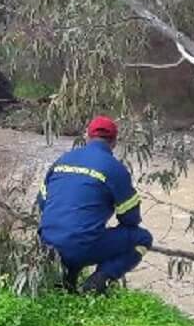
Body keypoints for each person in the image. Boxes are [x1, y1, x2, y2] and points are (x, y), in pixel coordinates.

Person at [37, 116, 152, 294]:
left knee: (77, 232)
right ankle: (101, 279)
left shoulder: (62, 160)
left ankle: (66, 283)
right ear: (114, 142)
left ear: (87, 136)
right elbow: (130, 218)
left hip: (47, 243)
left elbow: (42, 202)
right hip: (81, 245)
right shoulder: (115, 169)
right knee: (142, 238)